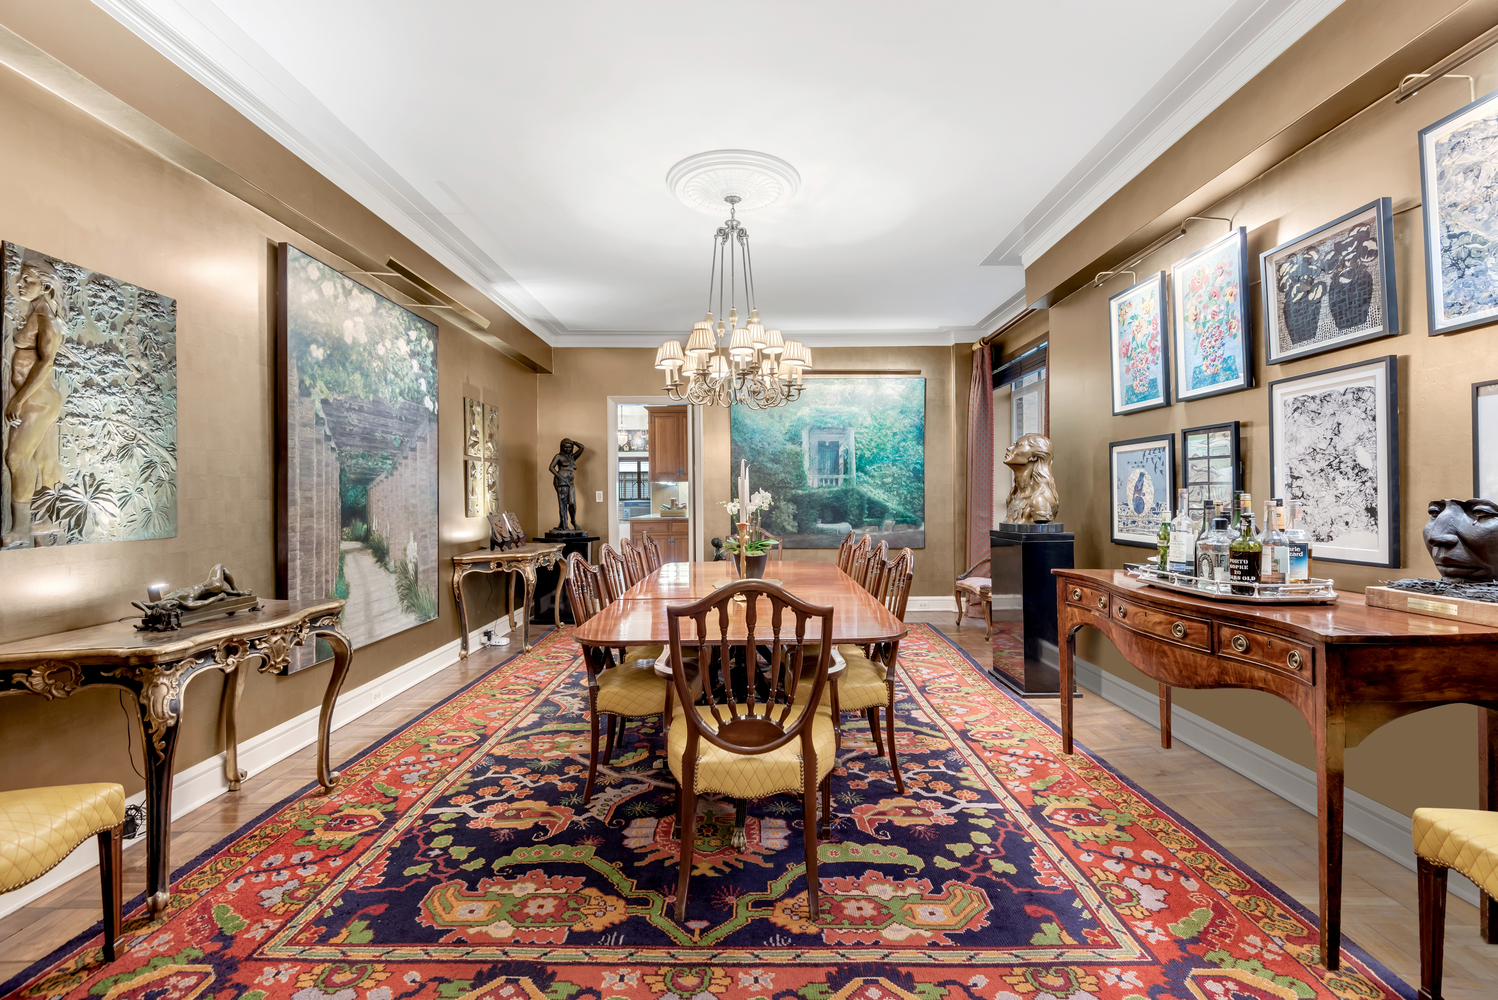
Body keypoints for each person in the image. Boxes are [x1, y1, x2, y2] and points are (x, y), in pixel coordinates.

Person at [3, 262, 67, 548]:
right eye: (20, 279)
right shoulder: (39, 313)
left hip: (36, 400)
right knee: (45, 460)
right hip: (41, 399)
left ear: (46, 285)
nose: (20, 285)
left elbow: (46, 362)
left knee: (16, 458)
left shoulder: (46, 318)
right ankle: (50, 517)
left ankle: (20, 529)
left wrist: (18, 399)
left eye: (27, 280)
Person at [548, 438, 584, 532]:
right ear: (562, 447)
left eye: (570, 447)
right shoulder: (558, 456)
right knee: (563, 504)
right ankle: (564, 525)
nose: (568, 449)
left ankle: (573, 520)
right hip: (561, 482)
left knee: (572, 503)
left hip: (570, 482)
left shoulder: (572, 457)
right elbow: (551, 467)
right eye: (566, 447)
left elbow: (582, 447)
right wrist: (559, 476)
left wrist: (573, 442)